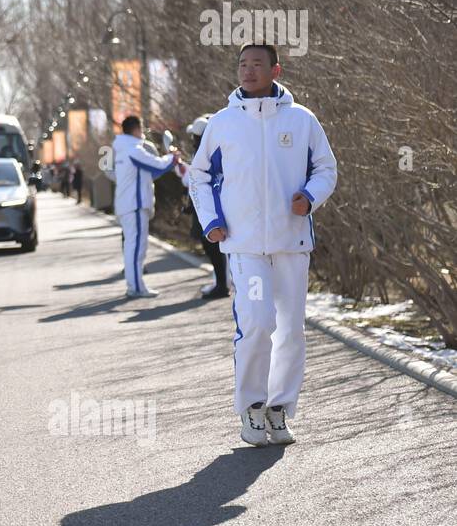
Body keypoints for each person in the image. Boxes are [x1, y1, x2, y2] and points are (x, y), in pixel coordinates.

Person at [188, 44, 337, 447]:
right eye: (242, 64)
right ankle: (252, 408)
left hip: (291, 242)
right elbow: (197, 175)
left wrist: (310, 195)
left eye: (257, 64)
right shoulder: (223, 123)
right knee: (256, 322)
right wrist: (212, 221)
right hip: (245, 243)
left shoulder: (301, 120)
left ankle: (279, 409)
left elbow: (326, 167)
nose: (248, 71)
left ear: (275, 70)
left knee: (290, 329)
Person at [111, 115, 179, 298]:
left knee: (133, 247)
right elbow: (156, 165)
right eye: (141, 128)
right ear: (135, 129)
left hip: (129, 204)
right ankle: (135, 287)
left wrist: (169, 160)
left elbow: (151, 169)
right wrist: (172, 159)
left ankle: (136, 285)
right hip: (135, 204)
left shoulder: (122, 148)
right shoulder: (132, 149)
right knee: (136, 247)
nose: (142, 132)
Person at [175, 115, 229, 300]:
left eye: (195, 136)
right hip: (205, 206)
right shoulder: (202, 150)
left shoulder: (206, 150)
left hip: (212, 206)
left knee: (215, 246)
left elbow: (198, 179)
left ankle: (222, 284)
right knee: (211, 246)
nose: (192, 140)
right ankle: (220, 282)